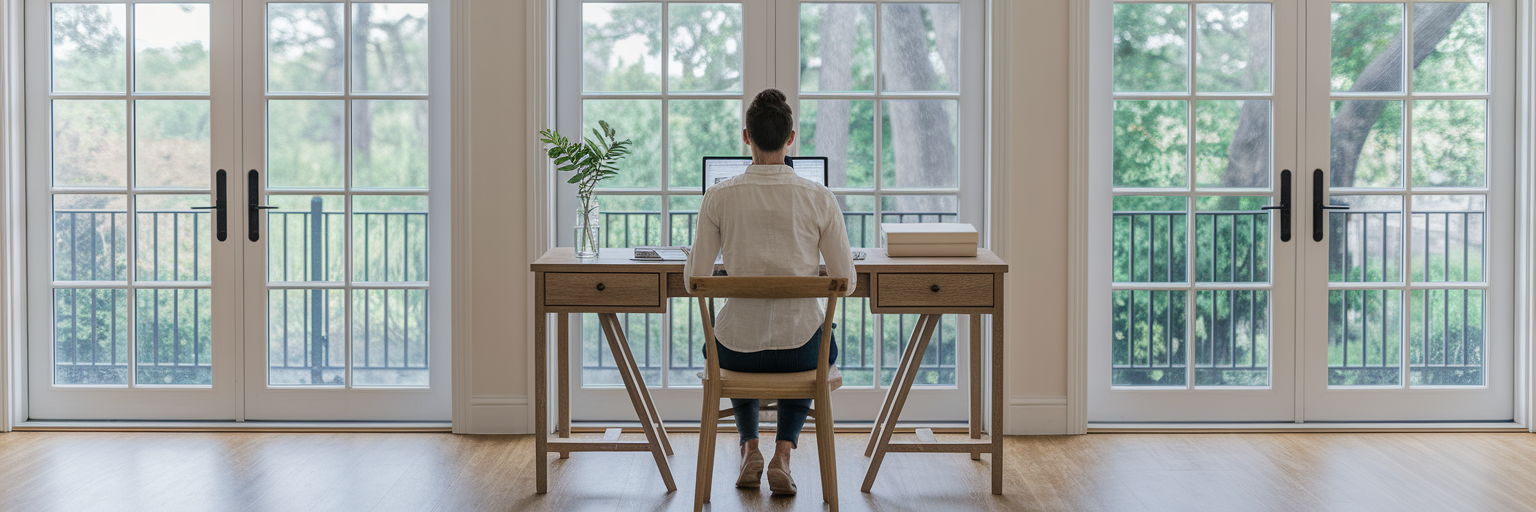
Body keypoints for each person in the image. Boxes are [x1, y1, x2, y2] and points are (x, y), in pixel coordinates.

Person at [684, 88, 857, 496]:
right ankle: (782, 454)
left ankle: (749, 448)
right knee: (821, 341)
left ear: (747, 137)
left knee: (724, 337)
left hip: (735, 355)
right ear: (790, 138)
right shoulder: (820, 198)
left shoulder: (718, 197)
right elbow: (846, 282)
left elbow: (695, 280)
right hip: (800, 354)